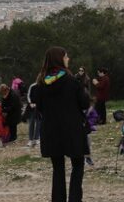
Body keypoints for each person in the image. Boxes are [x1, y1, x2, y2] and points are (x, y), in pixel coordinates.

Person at [33, 46, 89, 202]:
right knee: (77, 165)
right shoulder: (72, 81)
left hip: (51, 131)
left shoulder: (41, 83)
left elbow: (39, 107)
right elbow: (84, 104)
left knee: (58, 169)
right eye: (66, 57)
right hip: (72, 130)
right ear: (59, 59)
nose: (68, 59)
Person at [26, 82, 41, 147]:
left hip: (40, 107)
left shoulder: (44, 86)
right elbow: (28, 95)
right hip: (32, 107)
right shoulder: (32, 86)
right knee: (31, 123)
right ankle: (30, 139)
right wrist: (30, 103)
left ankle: (37, 138)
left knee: (39, 123)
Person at [84, 98, 99, 166]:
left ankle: (87, 157)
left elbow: (94, 117)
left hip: (86, 128)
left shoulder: (90, 110)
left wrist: (89, 124)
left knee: (87, 141)